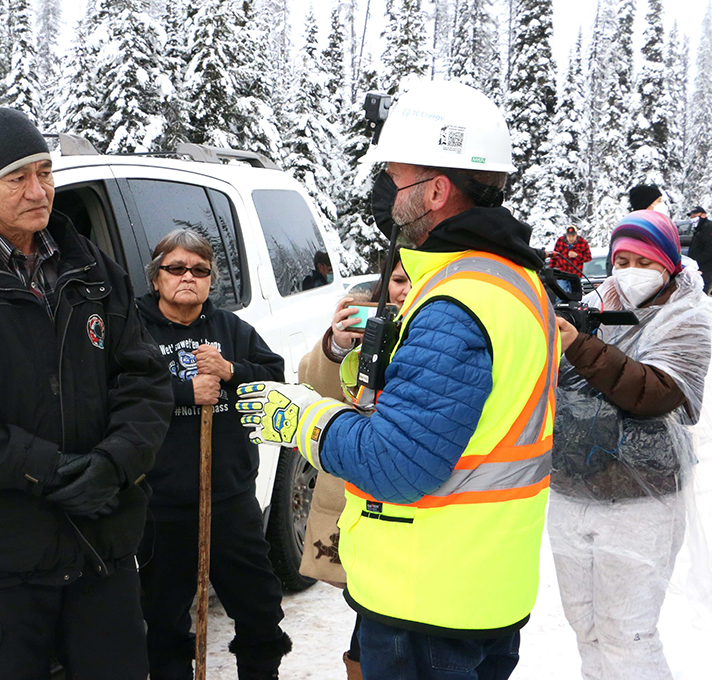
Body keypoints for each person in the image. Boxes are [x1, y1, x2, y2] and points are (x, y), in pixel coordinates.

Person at [236, 79, 559, 680]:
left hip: (429, 604)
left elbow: (398, 464)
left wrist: (300, 417)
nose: (386, 194)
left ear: (437, 191)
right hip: (478, 588)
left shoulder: (456, 302)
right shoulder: (511, 282)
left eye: (396, 179)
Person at [0, 108, 173, 680]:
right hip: (0, 560)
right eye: (17, 177)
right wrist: (46, 469)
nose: (39, 189)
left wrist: (114, 464)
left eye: (45, 172)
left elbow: (144, 380)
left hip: (102, 547)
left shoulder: (94, 268)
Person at [549, 210, 712, 680]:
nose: (629, 269)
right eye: (621, 258)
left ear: (668, 264)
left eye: (642, 260)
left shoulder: (688, 319)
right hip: (572, 488)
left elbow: (654, 393)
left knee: (629, 634)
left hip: (644, 498)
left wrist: (578, 345)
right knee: (586, 627)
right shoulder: (592, 305)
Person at [135, 229, 291, 680]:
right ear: (157, 276)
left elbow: (274, 379)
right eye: (176, 267)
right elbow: (118, 391)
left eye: (200, 270)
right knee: (163, 621)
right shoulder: (135, 330)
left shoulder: (231, 330)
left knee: (261, 612)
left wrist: (230, 371)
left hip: (229, 502)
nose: (188, 277)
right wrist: (184, 392)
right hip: (162, 504)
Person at [297, 251, 411, 680]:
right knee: (368, 609)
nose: (404, 290)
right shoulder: (368, 325)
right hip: (356, 499)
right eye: (397, 280)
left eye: (412, 279)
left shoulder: (441, 328)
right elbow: (315, 388)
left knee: (387, 620)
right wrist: (338, 346)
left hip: (415, 505)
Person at [686, 205, 712, 291]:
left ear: (703, 215)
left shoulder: (708, 227)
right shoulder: (698, 229)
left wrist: (698, 262)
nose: (693, 218)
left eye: (695, 216)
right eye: (691, 216)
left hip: (704, 268)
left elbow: (711, 249)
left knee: (702, 292)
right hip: (697, 268)